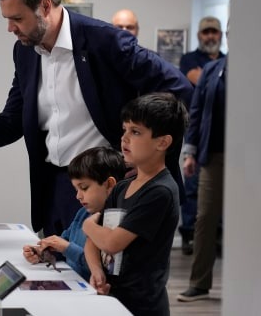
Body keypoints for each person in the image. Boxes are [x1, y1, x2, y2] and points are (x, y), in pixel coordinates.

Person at [0, 0, 193, 236]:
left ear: (45, 6)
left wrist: (147, 155)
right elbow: (13, 120)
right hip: (55, 187)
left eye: (18, 18)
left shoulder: (105, 40)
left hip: (108, 185)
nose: (10, 28)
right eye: (7, 19)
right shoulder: (24, 52)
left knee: (106, 279)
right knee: (56, 274)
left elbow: (179, 88)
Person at [83, 92, 189, 316]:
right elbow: (93, 243)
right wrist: (97, 271)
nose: (125, 138)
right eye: (125, 130)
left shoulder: (160, 191)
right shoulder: (122, 187)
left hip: (143, 305)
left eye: (136, 132)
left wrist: (88, 225)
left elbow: (111, 243)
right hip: (113, 297)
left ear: (163, 142)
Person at [22, 147, 126, 281]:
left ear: (109, 184)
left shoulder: (116, 222)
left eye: (84, 188)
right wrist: (44, 252)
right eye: (76, 189)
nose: (78, 196)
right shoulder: (83, 212)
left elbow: (104, 271)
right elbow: (65, 242)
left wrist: (67, 248)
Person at [177, 50, 228, 302]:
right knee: (205, 217)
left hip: (251, 159)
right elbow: (196, 111)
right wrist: (190, 152)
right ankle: (199, 283)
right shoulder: (213, 69)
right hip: (213, 155)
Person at [178, 16, 225, 255]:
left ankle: (217, 236)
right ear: (199, 35)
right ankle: (188, 234)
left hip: (225, 139)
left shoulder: (227, 62)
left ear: (220, 35)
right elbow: (192, 87)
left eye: (213, 32)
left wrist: (201, 78)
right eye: (206, 32)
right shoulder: (189, 60)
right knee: (193, 187)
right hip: (199, 135)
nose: (210, 36)